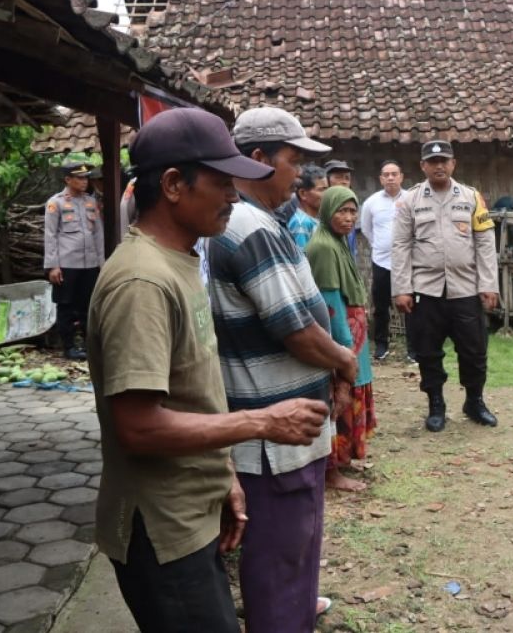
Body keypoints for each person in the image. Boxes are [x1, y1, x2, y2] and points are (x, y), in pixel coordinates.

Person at [87, 107, 329, 633]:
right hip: (161, 527)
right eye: (221, 183)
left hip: (191, 512)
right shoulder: (143, 283)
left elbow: (191, 392)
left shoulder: (182, 262)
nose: (233, 196)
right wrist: (262, 422)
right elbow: (138, 426)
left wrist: (222, 476)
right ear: (174, 185)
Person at [206, 106, 356, 633]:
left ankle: (295, 611)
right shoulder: (248, 226)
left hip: (285, 429)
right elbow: (293, 328)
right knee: (279, 560)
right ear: (257, 160)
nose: (300, 175)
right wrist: (344, 361)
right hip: (273, 439)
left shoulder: (258, 220)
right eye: (294, 161)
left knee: (294, 552)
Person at [391, 140, 500, 432]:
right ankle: (436, 404)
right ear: (423, 166)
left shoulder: (471, 197)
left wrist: (489, 284)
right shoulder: (410, 201)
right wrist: (401, 288)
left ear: (453, 164)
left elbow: (485, 242)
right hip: (426, 291)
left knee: (474, 351)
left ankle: (474, 401)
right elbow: (400, 245)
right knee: (428, 352)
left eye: (444, 161)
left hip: (466, 288)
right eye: (433, 161)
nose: (439, 166)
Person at [306, 186, 376, 492]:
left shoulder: (338, 242)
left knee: (350, 395)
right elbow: (331, 303)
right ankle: (330, 471)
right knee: (339, 396)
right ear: (327, 211)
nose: (348, 218)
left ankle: (342, 461)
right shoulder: (323, 247)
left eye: (352, 211)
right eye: (341, 211)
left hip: (353, 332)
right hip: (343, 334)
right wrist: (344, 348)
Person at [44, 157, 105, 360]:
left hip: (90, 265)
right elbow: (50, 234)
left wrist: (101, 262)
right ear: (67, 180)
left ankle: (90, 346)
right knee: (67, 306)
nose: (84, 181)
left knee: (89, 306)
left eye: (86, 178)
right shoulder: (56, 203)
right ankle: (69, 346)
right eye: (79, 178)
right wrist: (53, 266)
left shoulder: (91, 202)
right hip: (67, 265)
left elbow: (98, 233)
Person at [361, 160, 409, 361]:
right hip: (381, 261)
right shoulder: (371, 202)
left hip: (407, 262)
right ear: (380, 179)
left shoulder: (411, 199)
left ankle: (414, 349)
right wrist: (381, 246)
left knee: (411, 306)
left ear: (401, 177)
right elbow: (366, 229)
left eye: (394, 174)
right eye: (386, 174)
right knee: (381, 307)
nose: (390, 178)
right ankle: (381, 346)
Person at [287, 164, 328, 249]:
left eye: (327, 189)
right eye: (321, 190)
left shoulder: (315, 219)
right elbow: (303, 258)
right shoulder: (301, 223)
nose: (327, 194)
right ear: (303, 194)